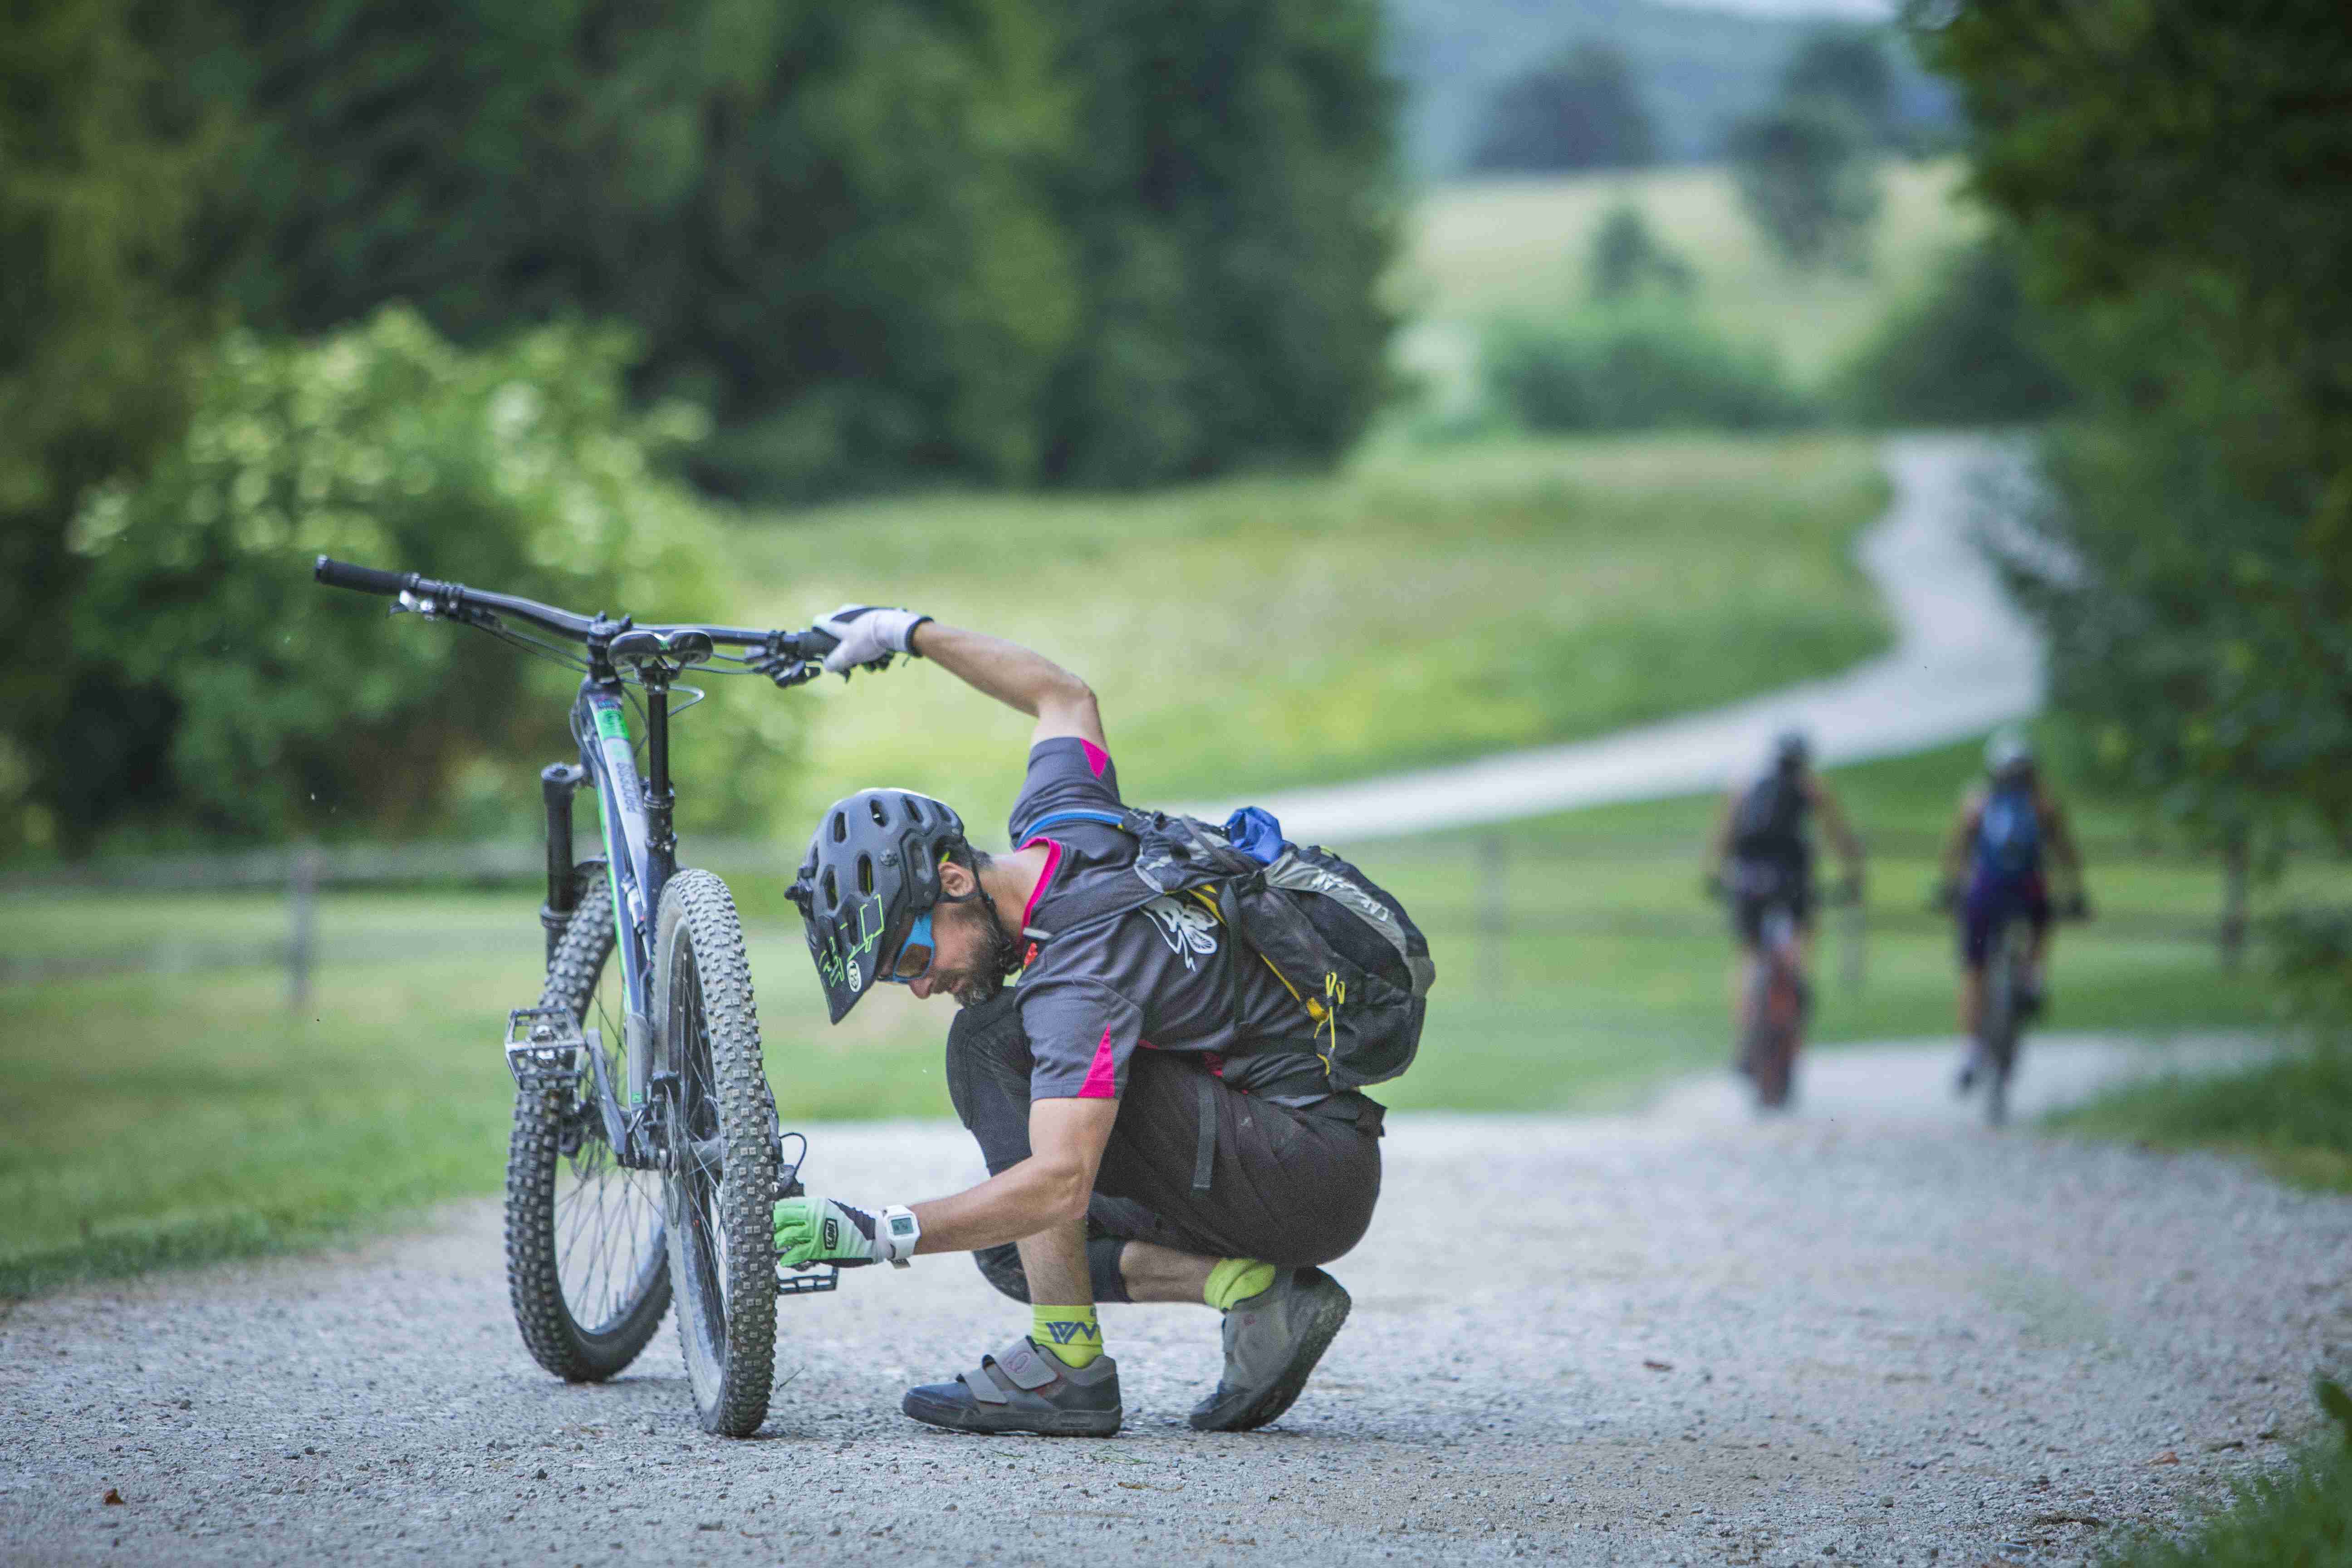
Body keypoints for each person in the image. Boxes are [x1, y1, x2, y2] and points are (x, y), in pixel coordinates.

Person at [769, 604, 1382, 1438]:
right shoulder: (1068, 824)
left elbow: (1059, 1183)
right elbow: (1060, 694)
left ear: (953, 882)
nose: (919, 987)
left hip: (1298, 1173)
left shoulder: (1076, 981)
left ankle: (1067, 1367)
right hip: (1309, 1152)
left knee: (991, 1047)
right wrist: (902, 630)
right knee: (1007, 1247)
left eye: (910, 958)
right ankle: (1255, 1293)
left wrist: (877, 1232)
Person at [1938, 727, 2090, 1087]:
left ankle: (1969, 1052)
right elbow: (2066, 853)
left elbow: (1956, 851)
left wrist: (1949, 887)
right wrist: (2077, 891)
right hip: (2028, 892)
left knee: (1974, 971)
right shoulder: (2044, 804)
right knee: (2043, 919)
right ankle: (2033, 977)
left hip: (1985, 895)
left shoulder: (1975, 801)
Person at [1704, 730, 1865, 1064]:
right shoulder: (1810, 786)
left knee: (1749, 956)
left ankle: (1745, 1037)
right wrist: (1852, 871)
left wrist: (1715, 873)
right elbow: (1837, 834)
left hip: (1748, 878)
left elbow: (1724, 832)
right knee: (1802, 945)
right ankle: (1795, 1014)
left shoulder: (1745, 783)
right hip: (1791, 879)